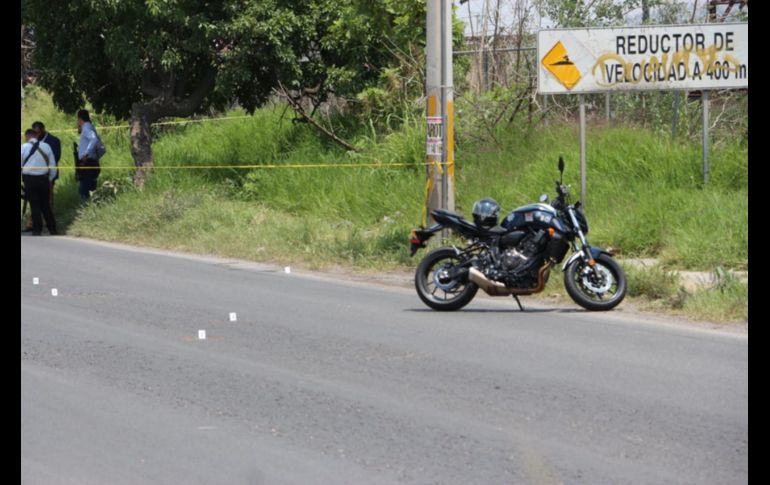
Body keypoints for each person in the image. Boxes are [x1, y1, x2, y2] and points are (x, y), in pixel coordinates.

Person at [22, 121, 61, 232]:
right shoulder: (46, 146)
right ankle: (52, 229)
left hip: (29, 179)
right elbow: (53, 165)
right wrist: (50, 179)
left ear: (28, 136)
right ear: (35, 135)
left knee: (34, 205)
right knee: (45, 205)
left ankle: (37, 229)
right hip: (44, 179)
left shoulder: (23, 147)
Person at [76, 109, 101, 201]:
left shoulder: (86, 127)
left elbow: (94, 139)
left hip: (87, 162)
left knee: (84, 189)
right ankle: (92, 206)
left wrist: (86, 153)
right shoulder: (89, 127)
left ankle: (87, 207)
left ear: (79, 119)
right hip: (90, 162)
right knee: (90, 187)